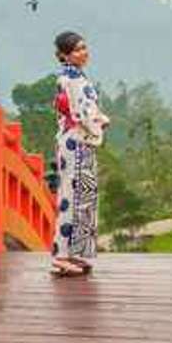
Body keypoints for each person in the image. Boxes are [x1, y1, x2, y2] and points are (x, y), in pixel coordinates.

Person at [50, 31, 109, 276]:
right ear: (64, 55)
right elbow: (81, 114)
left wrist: (95, 119)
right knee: (71, 196)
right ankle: (61, 255)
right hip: (76, 140)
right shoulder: (71, 79)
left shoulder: (74, 76)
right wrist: (100, 121)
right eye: (77, 49)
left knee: (82, 195)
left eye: (84, 47)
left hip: (77, 140)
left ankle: (74, 251)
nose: (83, 52)